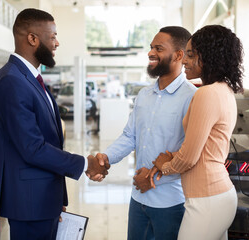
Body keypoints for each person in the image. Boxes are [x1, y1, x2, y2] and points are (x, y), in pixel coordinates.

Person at [0, 8, 108, 240]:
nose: (57, 43)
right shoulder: (12, 81)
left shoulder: (28, 79)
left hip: (42, 199)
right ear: (32, 38)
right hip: (29, 203)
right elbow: (33, 148)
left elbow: (49, 143)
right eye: (52, 36)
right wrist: (86, 163)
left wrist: (58, 199)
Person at [94, 26, 197, 240]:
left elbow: (189, 152)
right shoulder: (144, 95)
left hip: (170, 202)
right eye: (151, 48)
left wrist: (152, 175)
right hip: (138, 197)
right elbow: (130, 135)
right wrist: (106, 157)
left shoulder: (192, 97)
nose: (151, 53)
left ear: (179, 55)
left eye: (158, 48)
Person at [147, 25, 244, 240]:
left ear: (209, 56)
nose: (184, 61)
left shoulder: (206, 94)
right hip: (217, 196)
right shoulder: (224, 90)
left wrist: (164, 166)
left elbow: (189, 157)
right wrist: (171, 158)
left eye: (191, 55)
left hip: (207, 200)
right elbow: (205, 149)